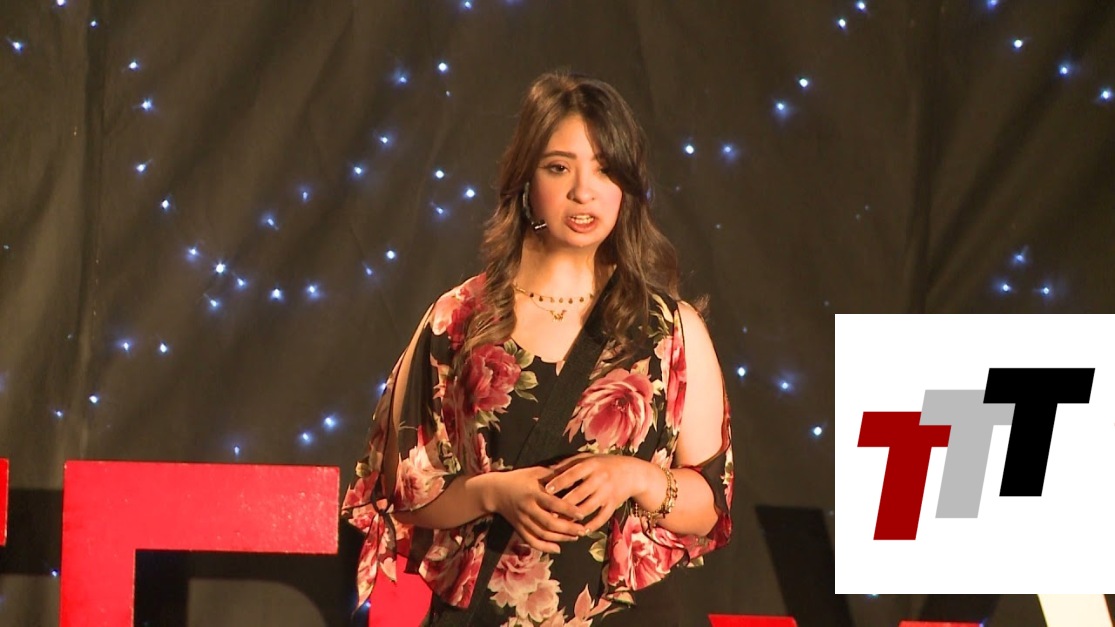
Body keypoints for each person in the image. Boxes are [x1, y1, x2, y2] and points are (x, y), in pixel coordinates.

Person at [342, 70, 733, 626]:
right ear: (525, 179)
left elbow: (711, 505)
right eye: (559, 167)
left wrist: (634, 477)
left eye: (604, 169)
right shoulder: (458, 319)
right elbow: (402, 488)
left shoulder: (672, 331)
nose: (583, 191)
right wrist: (493, 493)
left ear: (626, 186)